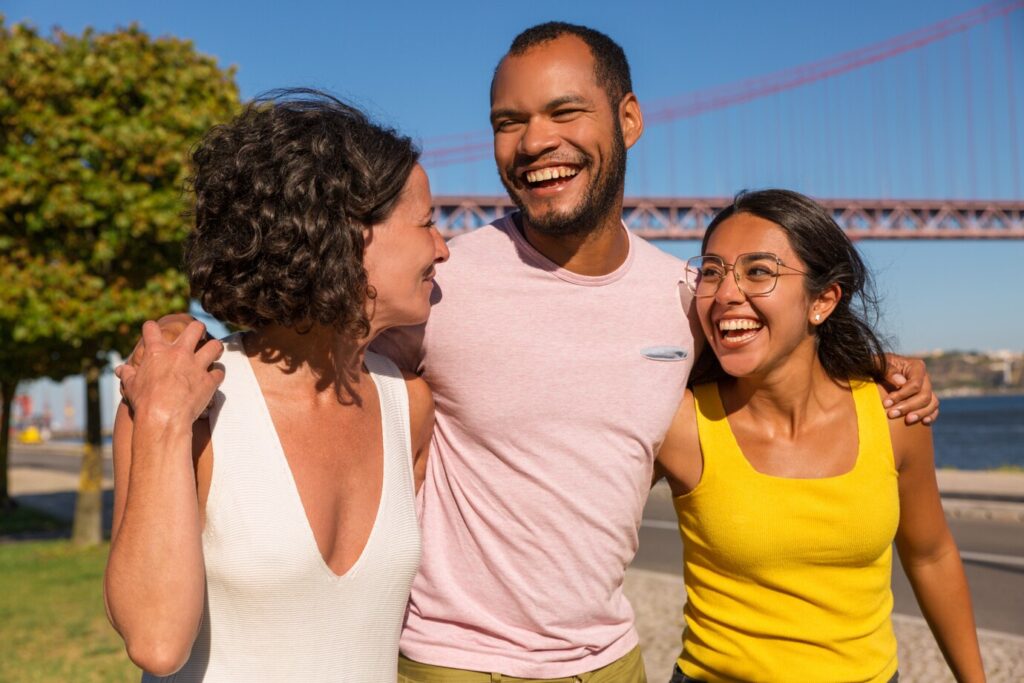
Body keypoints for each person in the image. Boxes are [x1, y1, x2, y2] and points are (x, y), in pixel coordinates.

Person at [138, 24, 939, 683]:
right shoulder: (440, 281)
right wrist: (183, 330)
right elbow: (298, 325)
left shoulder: (688, 297)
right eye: (508, 122)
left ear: (628, 120)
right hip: (449, 662)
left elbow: (779, 346)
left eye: (564, 112)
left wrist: (884, 370)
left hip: (610, 660)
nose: (535, 142)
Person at [104, 90, 449, 682]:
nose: (443, 248)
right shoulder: (184, 401)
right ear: (349, 235)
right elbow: (157, 642)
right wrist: (162, 418)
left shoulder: (409, 405)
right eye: (427, 224)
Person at [655, 189, 984, 682]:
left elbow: (931, 554)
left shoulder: (892, 414)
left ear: (823, 301)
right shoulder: (677, 422)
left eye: (759, 271)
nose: (725, 293)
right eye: (712, 271)